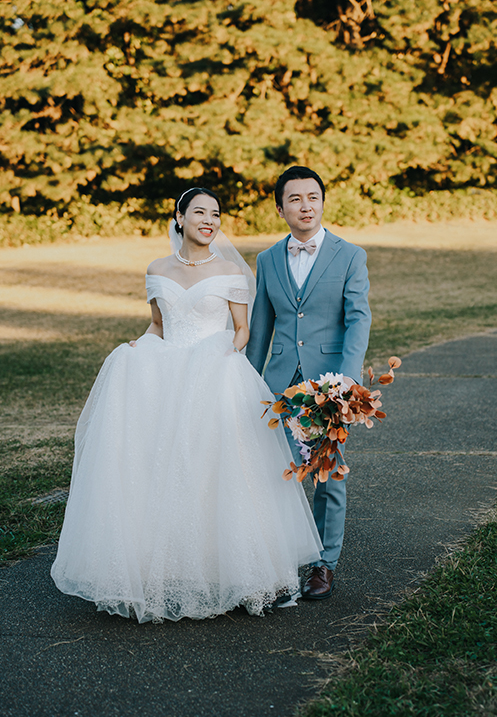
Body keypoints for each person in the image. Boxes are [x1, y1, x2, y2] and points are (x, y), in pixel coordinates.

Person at [51, 188, 323, 624]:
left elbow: (242, 331)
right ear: (179, 217)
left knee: (222, 471)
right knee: (159, 469)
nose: (209, 220)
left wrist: (220, 356)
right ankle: (165, 569)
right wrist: (139, 345)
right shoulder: (156, 270)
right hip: (163, 376)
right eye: (199, 212)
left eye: (216, 213)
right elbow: (159, 324)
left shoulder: (231, 269)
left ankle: (240, 571)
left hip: (215, 373)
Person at [246, 166, 371, 601]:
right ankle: (278, 564)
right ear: (280, 208)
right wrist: (247, 381)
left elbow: (358, 319)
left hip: (329, 387)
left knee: (328, 475)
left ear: (322, 201)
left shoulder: (350, 255)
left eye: (312, 197)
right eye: (295, 199)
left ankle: (324, 564)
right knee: (273, 474)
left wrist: (348, 382)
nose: (305, 206)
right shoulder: (266, 260)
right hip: (279, 386)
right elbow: (261, 329)